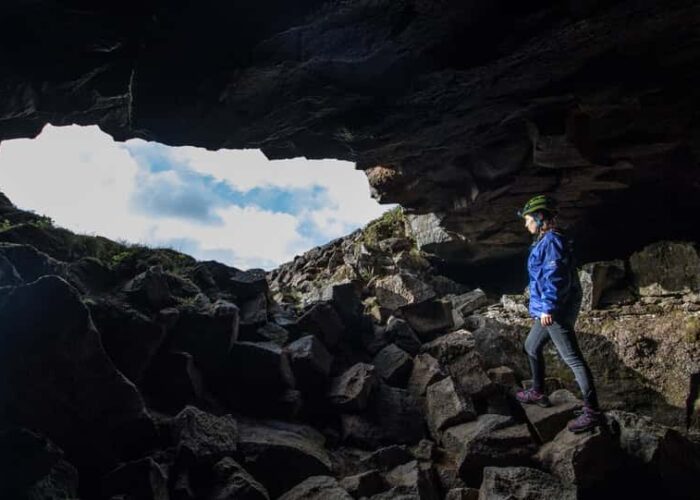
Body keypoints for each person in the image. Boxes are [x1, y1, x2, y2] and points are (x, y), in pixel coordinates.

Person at [514, 194, 602, 433]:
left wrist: (548, 308)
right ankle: (538, 391)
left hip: (554, 311)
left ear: (539, 218)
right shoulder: (546, 240)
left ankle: (592, 412)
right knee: (531, 346)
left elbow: (556, 278)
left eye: (527, 218)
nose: (525, 223)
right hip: (547, 309)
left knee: (573, 359)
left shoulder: (552, 240)